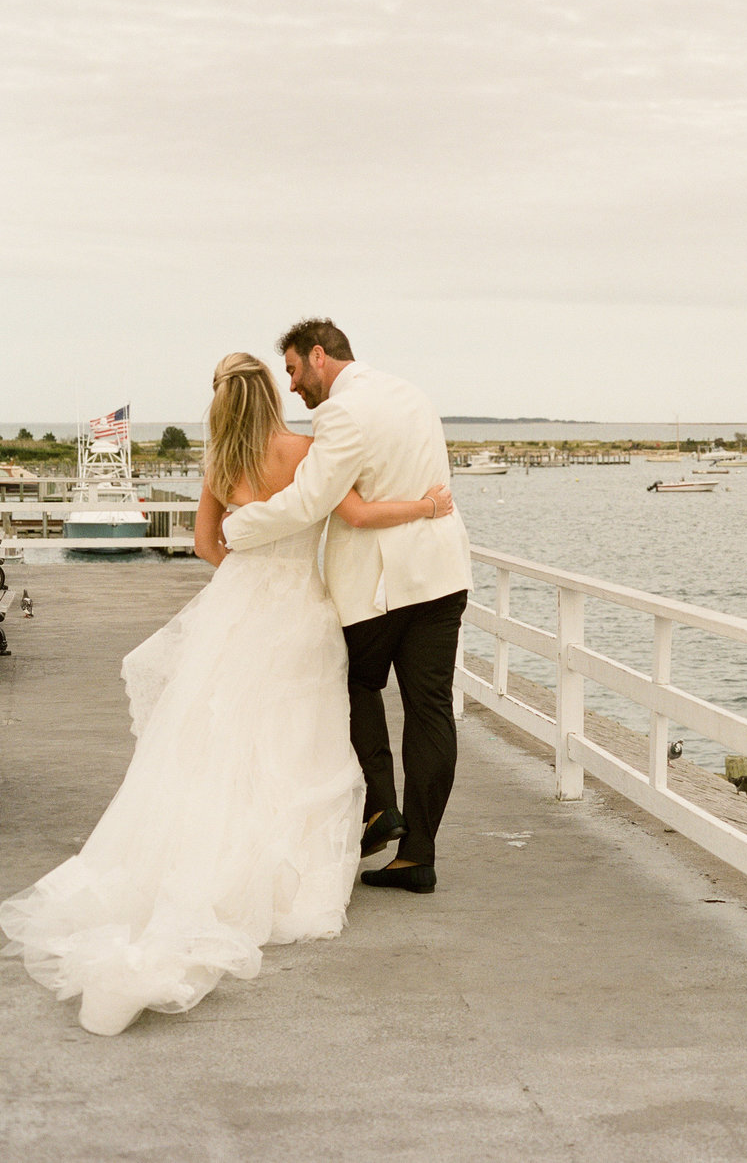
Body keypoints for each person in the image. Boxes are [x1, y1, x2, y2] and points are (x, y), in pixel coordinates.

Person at [0, 352, 453, 1036]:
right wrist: (424, 506)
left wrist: (251, 562)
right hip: (305, 610)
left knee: (221, 736)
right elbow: (355, 512)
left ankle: (220, 854)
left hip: (241, 609)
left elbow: (206, 546)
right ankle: (290, 870)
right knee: (299, 738)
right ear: (273, 393)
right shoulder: (305, 450)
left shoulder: (218, 465)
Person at [221, 318, 471, 894]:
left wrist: (239, 527)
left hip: (379, 587)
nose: (291, 388)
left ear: (317, 356)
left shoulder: (340, 413)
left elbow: (312, 500)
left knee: (351, 683)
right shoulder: (412, 393)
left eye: (291, 370)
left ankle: (380, 808)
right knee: (431, 710)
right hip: (442, 574)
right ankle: (418, 857)